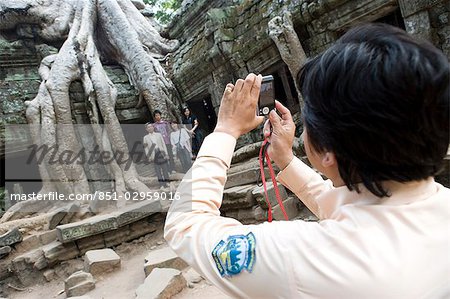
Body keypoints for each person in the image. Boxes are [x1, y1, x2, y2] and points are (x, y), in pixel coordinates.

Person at [164, 23, 450, 298]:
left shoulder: (299, 257)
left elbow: (186, 225)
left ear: (328, 151)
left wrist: (225, 130)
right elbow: (358, 208)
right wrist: (286, 161)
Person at [143, 123, 170, 188]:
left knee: (165, 168)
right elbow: (146, 148)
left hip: (161, 151)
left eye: (151, 126)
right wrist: (149, 156)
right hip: (153, 153)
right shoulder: (145, 138)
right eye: (148, 127)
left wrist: (166, 154)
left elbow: (163, 144)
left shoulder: (159, 135)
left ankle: (167, 182)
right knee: (157, 170)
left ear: (153, 127)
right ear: (146, 129)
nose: (150, 128)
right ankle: (161, 184)